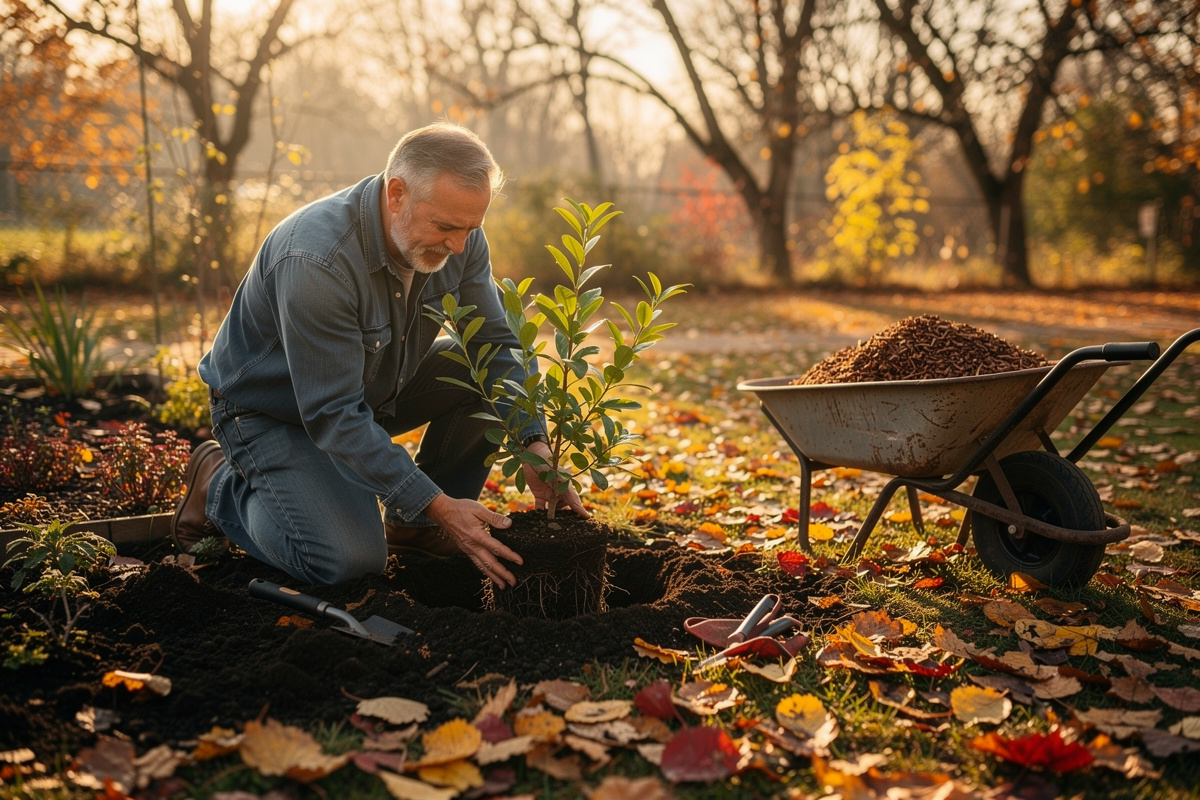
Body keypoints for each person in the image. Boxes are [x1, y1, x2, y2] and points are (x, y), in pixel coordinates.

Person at [171, 122, 588, 588]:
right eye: (447, 227)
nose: (460, 245)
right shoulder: (317, 261)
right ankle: (218, 487)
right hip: (273, 412)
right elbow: (331, 413)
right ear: (396, 194)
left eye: (473, 227)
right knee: (347, 562)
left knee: (480, 371)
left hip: (372, 389)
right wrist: (438, 502)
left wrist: (535, 445)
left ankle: (416, 528)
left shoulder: (460, 239)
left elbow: (498, 343)